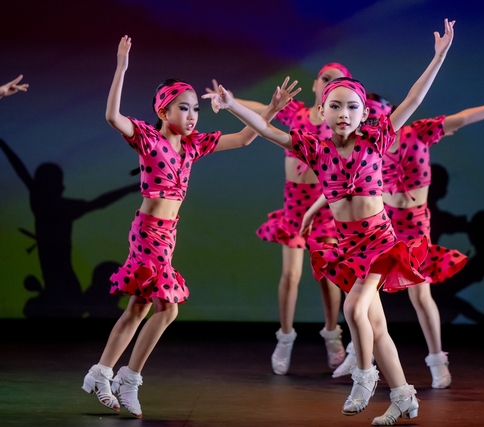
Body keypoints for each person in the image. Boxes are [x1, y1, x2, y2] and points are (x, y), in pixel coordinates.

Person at [205, 18, 455, 426]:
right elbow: (267, 130)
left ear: (365, 113)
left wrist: (439, 56)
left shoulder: (376, 139)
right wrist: (232, 104)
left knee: (354, 308)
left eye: (352, 107)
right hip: (349, 246)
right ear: (321, 111)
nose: (343, 113)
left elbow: (413, 98)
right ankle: (403, 397)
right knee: (377, 326)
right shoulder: (316, 150)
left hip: (380, 241)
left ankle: (364, 377)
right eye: (335, 106)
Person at [81, 35, 299, 418]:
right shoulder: (148, 139)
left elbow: (245, 138)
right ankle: (126, 378)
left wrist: (272, 109)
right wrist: (122, 67)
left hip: (167, 233)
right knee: (166, 309)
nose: (193, 115)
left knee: (140, 308)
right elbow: (113, 117)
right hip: (148, 232)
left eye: (196, 108)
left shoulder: (193, 145)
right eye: (184, 108)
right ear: (163, 110)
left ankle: (103, 374)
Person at [332, 92, 484, 388]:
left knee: (420, 294)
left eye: (376, 116)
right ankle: (357, 352)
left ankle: (437, 360)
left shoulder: (417, 132)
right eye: (367, 118)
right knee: (365, 294)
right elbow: (338, 184)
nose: (370, 123)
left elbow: (462, 118)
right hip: (381, 224)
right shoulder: (364, 146)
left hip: (414, 227)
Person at [214, 63, 351, 375]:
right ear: (316, 84)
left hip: (326, 207)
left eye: (339, 81)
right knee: (290, 275)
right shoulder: (299, 114)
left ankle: (333, 335)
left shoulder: (339, 121)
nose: (330, 84)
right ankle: (285, 337)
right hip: (295, 207)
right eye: (326, 79)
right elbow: (262, 109)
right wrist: (232, 99)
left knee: (328, 275)